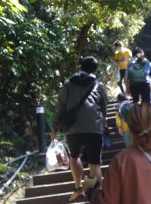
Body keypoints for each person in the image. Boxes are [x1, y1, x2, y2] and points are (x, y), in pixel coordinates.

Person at [51, 56, 108, 202]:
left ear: (80, 66)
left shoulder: (68, 84)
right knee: (94, 163)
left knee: (74, 156)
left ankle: (78, 187)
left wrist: (54, 127)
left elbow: (60, 106)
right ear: (95, 69)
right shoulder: (99, 84)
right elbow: (103, 107)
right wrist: (103, 122)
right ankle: (97, 195)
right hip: (94, 127)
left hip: (73, 128)